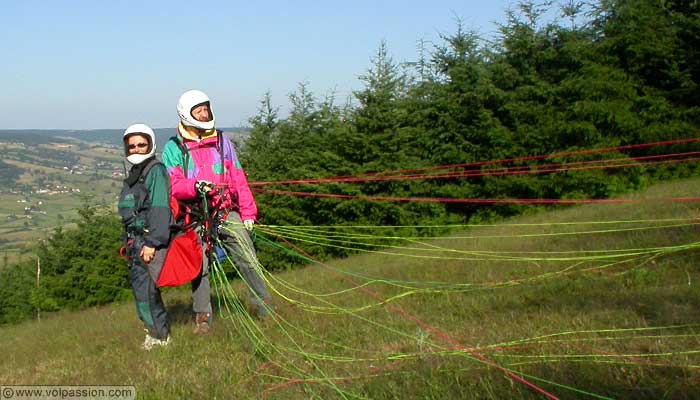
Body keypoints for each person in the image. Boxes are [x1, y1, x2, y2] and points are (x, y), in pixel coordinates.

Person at [162, 89, 273, 334]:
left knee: (247, 254)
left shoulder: (222, 141)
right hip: (196, 216)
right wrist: (195, 186)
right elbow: (173, 183)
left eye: (206, 109)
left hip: (225, 211)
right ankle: (203, 316)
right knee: (199, 265)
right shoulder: (174, 147)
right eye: (198, 111)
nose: (204, 114)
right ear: (186, 114)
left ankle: (264, 305)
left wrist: (248, 213)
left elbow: (237, 176)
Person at [118, 123, 173, 350]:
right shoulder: (135, 174)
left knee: (148, 292)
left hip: (147, 242)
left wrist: (152, 243)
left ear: (150, 144)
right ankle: (153, 333)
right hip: (134, 241)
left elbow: (160, 209)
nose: (137, 149)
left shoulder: (155, 171)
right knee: (142, 291)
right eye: (132, 146)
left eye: (142, 145)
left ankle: (160, 337)